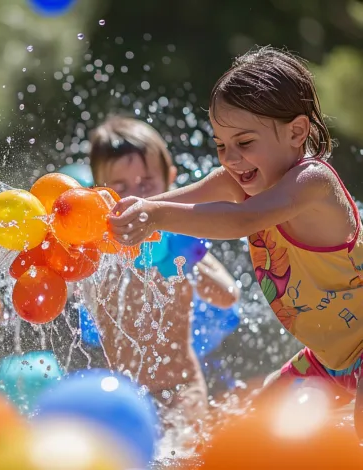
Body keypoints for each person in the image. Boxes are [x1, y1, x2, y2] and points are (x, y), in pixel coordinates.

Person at [107, 46, 363, 435]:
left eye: (244, 143)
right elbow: (199, 192)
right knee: (250, 438)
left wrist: (155, 215)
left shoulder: (313, 183)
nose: (231, 159)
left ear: (296, 132)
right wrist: (141, 207)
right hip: (329, 359)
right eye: (221, 145)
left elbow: (242, 220)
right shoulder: (243, 178)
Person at [83, 115, 239, 434]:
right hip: (120, 394)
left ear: (170, 180)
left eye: (146, 184)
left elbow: (227, 294)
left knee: (184, 455)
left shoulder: (180, 236)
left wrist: (188, 260)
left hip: (181, 387)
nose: (135, 197)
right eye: (120, 187)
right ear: (98, 191)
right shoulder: (98, 249)